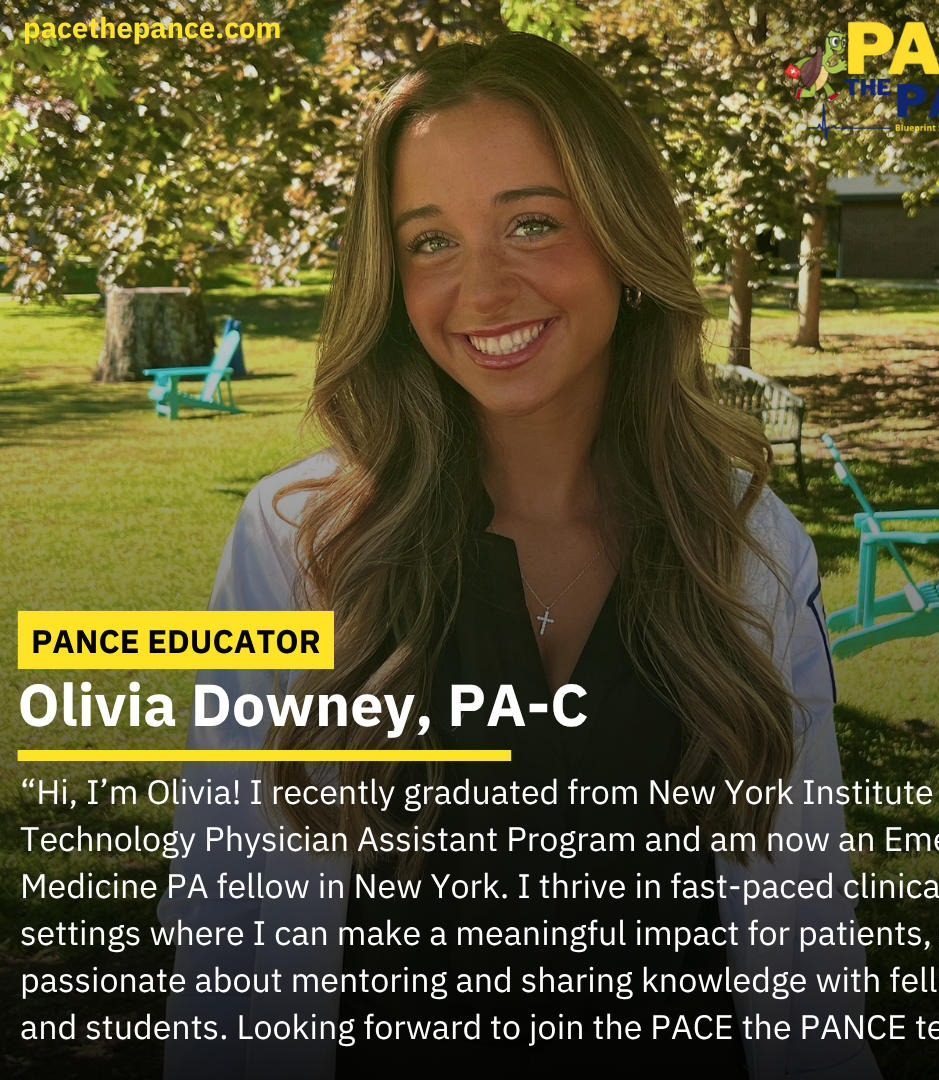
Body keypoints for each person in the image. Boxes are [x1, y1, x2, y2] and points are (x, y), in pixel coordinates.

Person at [159, 33, 882, 1080]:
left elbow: (803, 954)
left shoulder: (748, 542)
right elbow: (240, 958)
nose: (484, 290)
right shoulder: (299, 542)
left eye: (532, 223)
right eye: (431, 242)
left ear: (625, 242)